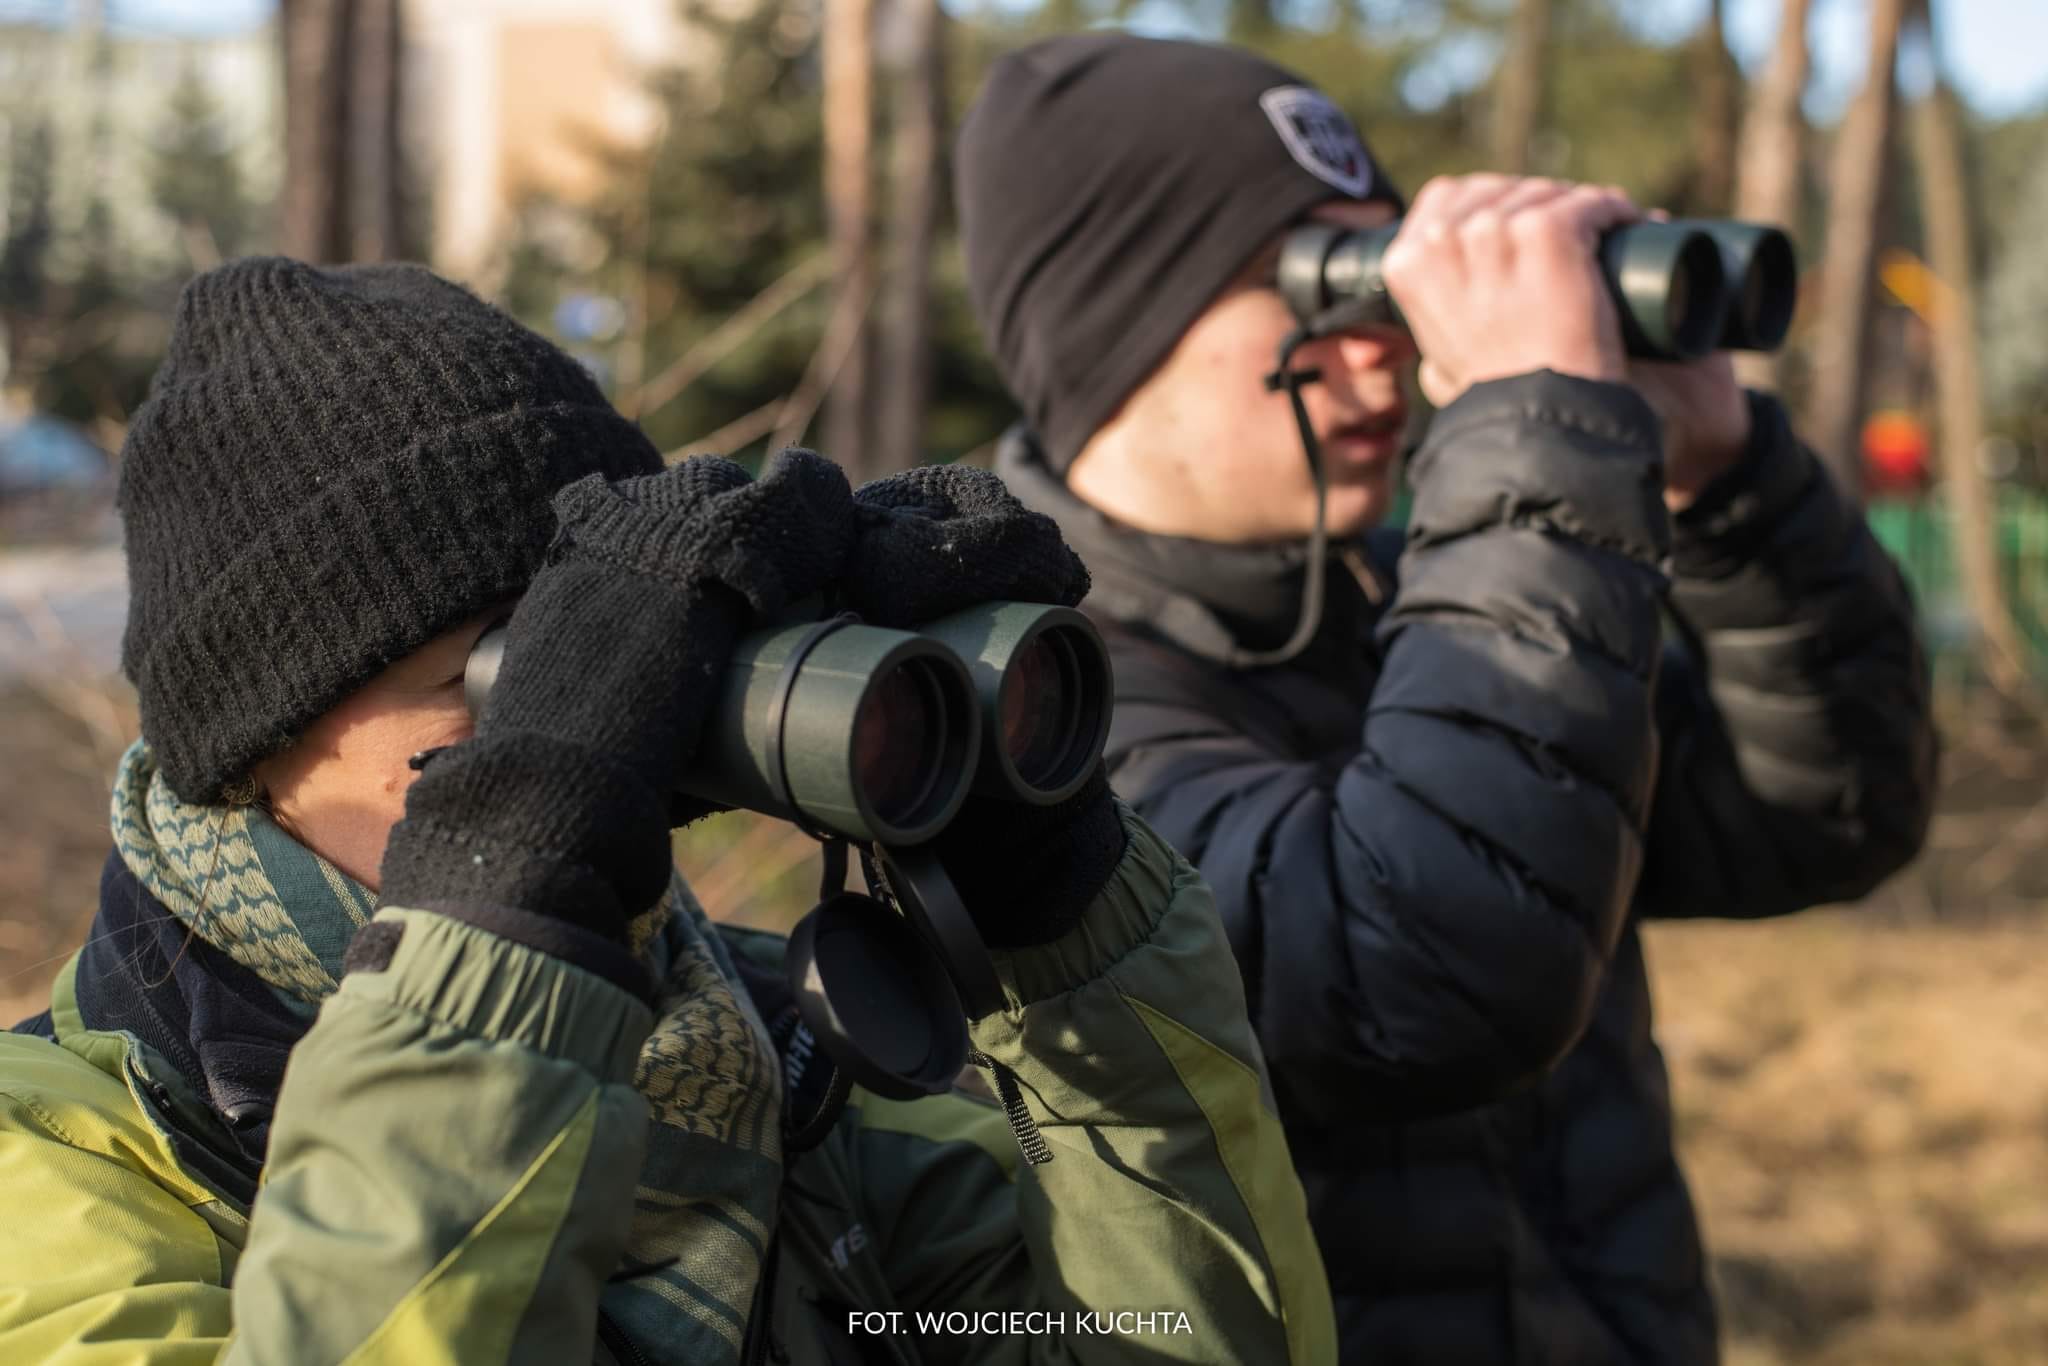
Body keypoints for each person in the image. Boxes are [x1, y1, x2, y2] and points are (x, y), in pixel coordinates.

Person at [0, 257, 1337, 1364]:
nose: (598, 722)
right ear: (258, 750)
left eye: (611, 650)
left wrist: (1065, 931)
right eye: (511, 669)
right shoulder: (54, 1166)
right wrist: (507, 901)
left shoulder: (780, 1079)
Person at [956, 33, 1937, 1365]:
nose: (1380, 348)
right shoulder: (1026, 708)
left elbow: (1827, 806)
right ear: (1110, 328)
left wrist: (1730, 484)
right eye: (1315, 282)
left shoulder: (1433, 597)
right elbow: (1413, 979)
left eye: (1383, 272)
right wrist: (1538, 427)